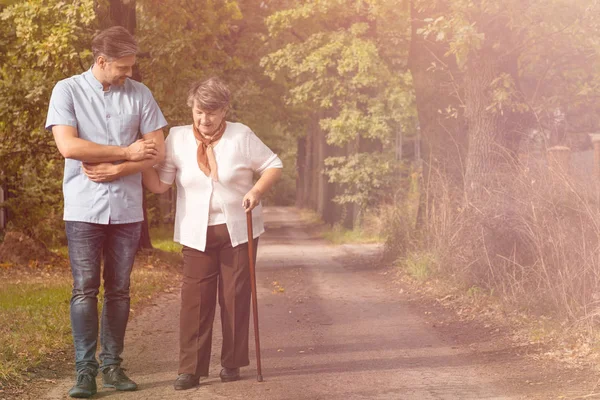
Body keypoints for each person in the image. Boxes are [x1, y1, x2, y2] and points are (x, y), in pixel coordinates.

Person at [45, 26, 167, 398]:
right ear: (102, 61)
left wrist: (120, 166)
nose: (129, 73)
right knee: (84, 291)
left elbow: (156, 151)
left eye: (131, 67)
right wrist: (127, 151)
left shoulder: (140, 94)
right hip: (83, 208)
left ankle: (112, 366)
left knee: (119, 290)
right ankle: (85, 371)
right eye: (124, 67)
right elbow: (69, 146)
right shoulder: (67, 90)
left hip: (127, 210)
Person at [142, 77, 282, 390]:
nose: (205, 119)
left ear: (224, 111)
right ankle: (189, 370)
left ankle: (231, 362)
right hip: (196, 233)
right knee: (195, 301)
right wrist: (138, 162)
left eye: (212, 112)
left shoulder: (241, 135)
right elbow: (162, 185)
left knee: (234, 297)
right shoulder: (176, 138)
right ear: (191, 109)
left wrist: (257, 191)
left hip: (238, 230)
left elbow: (273, 164)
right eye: (199, 112)